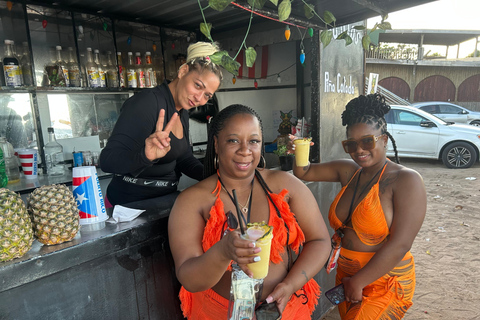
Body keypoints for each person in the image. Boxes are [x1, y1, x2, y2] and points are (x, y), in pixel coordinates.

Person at [168, 104, 331, 320]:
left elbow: (320, 240)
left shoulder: (285, 186)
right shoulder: (192, 201)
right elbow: (188, 277)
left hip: (283, 310)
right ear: (216, 144)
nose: (245, 150)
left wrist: (290, 285)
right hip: (218, 313)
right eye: (233, 140)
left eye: (253, 141)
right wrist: (223, 252)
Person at [290, 93, 426, 319]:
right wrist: (300, 148)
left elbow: (401, 244)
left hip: (385, 280)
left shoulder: (406, 180)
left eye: (367, 141)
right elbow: (303, 171)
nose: (359, 150)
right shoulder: (349, 172)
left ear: (384, 139)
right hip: (347, 277)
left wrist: (359, 281)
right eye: (350, 144)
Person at [100, 42, 223, 206]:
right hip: (129, 207)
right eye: (197, 85)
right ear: (183, 71)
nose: (199, 98)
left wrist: (217, 175)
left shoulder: (182, 111)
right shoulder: (147, 102)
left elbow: (183, 158)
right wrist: (145, 156)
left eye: (207, 95)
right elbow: (107, 161)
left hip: (164, 201)